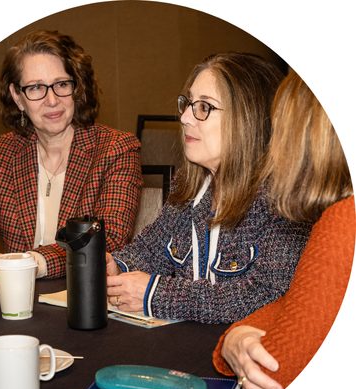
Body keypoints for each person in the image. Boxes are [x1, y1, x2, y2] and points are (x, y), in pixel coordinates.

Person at [0, 30, 142, 286]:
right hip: (17, 302)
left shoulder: (115, 148)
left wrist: (26, 263)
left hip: (84, 300)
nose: (52, 100)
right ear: (17, 97)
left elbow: (107, 239)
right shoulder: (3, 151)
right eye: (36, 88)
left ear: (77, 88)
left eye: (62, 84)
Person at [106, 53, 312, 323]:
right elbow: (149, 251)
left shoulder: (284, 200)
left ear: (247, 119)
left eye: (204, 107)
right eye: (188, 104)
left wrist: (158, 296)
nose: (185, 118)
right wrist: (116, 266)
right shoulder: (190, 186)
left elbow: (270, 294)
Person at [212, 71, 354, 389]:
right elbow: (296, 302)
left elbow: (275, 376)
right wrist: (236, 336)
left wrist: (231, 341)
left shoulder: (345, 220)